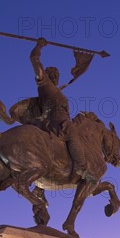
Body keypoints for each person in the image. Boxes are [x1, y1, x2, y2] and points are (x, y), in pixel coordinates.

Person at [30, 37, 96, 183]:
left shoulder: (55, 90)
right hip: (58, 123)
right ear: (47, 75)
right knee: (73, 135)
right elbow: (34, 59)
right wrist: (39, 46)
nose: (55, 77)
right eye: (52, 75)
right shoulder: (44, 84)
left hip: (59, 121)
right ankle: (82, 168)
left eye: (56, 76)